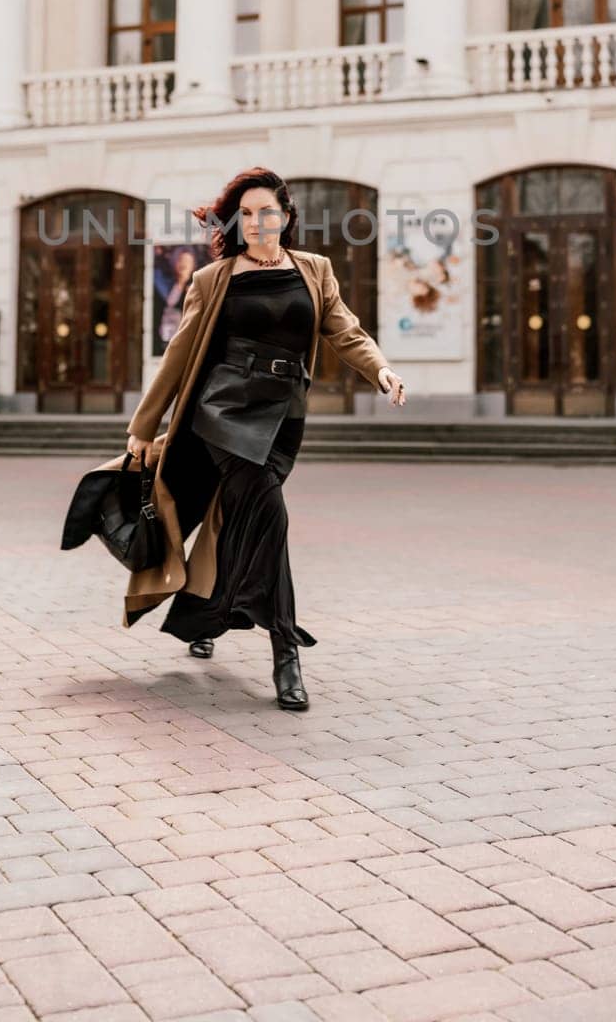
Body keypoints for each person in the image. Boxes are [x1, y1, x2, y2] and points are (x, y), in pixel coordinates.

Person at [124, 166, 407, 713]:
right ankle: (286, 652)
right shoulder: (214, 279)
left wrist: (382, 371)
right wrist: (143, 427)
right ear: (236, 221)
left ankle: (205, 613)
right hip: (224, 411)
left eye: (267, 211)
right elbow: (179, 356)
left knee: (246, 520)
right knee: (271, 516)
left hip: (284, 414)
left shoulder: (314, 270)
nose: (257, 222)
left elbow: (343, 329)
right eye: (246, 214)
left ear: (286, 216)